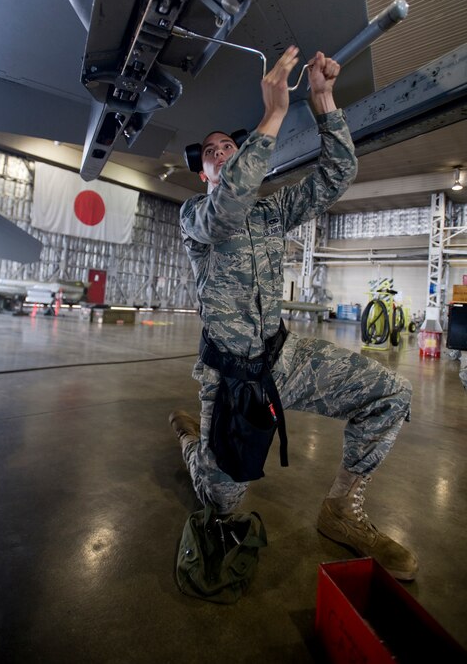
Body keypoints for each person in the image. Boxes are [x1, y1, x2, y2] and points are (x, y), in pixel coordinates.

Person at [169, 46, 418, 581]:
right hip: (231, 377)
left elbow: (337, 173)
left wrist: (324, 102)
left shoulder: (271, 210)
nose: (222, 151)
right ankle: (194, 445)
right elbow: (228, 206)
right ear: (203, 172)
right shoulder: (196, 215)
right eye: (212, 151)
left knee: (391, 394)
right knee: (222, 499)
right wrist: (274, 114)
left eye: (228, 145)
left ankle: (340, 509)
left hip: (283, 358)